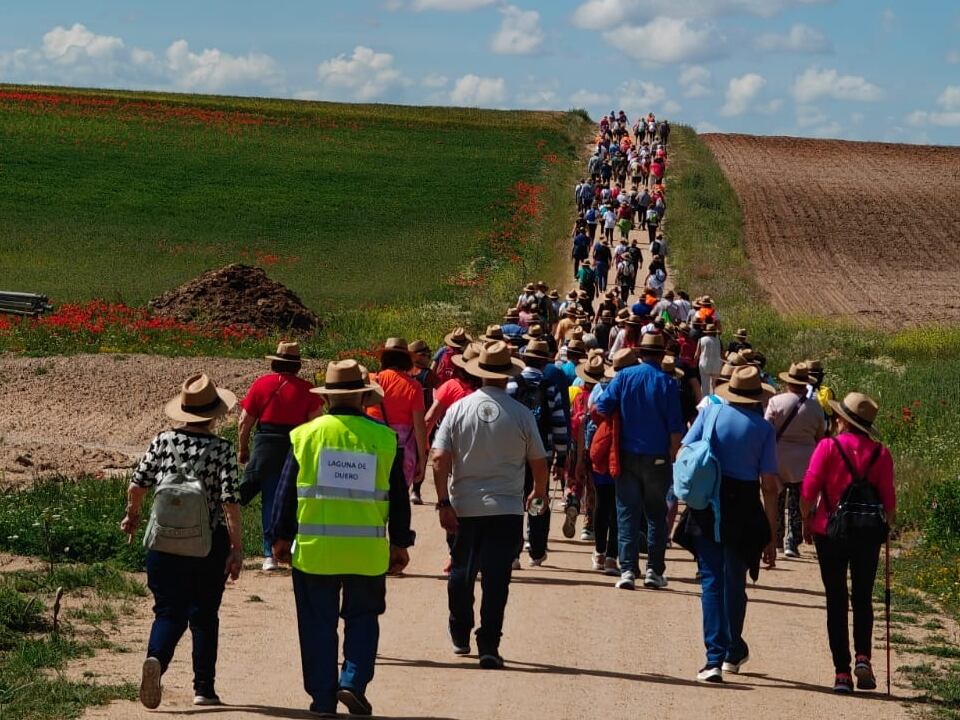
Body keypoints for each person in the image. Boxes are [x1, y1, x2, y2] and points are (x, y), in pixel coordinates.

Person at [267, 360, 414, 717]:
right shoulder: (383, 438)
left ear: (328, 398)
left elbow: (285, 492)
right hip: (366, 552)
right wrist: (400, 542)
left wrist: (280, 536)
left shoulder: (306, 435)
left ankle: (321, 698)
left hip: (316, 552)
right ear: (365, 396)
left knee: (318, 623)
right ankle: (352, 681)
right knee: (363, 617)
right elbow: (398, 495)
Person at [122, 374, 243, 709]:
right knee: (204, 614)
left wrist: (132, 517)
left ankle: (156, 662)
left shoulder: (162, 442)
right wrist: (236, 549)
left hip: (163, 542)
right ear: (215, 414)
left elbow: (136, 486)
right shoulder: (222, 450)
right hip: (207, 544)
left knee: (167, 612)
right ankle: (204, 688)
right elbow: (230, 501)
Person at [432, 341, 549, 669]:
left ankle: (460, 629)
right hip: (507, 508)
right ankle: (489, 644)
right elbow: (539, 463)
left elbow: (439, 458)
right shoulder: (521, 414)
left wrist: (443, 502)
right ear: (506, 376)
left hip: (466, 506)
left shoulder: (458, 409)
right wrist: (538, 492)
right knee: (497, 580)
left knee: (461, 572)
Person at [676, 366, 780, 684]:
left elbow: (684, 449)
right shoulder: (763, 430)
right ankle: (733, 649)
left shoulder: (711, 415)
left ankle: (713, 659)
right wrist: (772, 534)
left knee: (711, 581)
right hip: (745, 506)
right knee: (734, 580)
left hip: (709, 501)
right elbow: (769, 486)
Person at [801, 392, 896, 695]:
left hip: (830, 531)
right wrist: (888, 527)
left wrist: (806, 520)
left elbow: (808, 489)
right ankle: (863, 657)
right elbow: (889, 502)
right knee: (863, 597)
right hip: (867, 533)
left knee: (836, 600)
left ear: (843, 420)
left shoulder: (828, 447)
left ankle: (842, 673)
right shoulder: (881, 454)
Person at [595, 333, 683, 590]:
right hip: (657, 456)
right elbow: (675, 428)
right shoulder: (667, 383)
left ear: (641, 352)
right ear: (660, 355)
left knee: (627, 512)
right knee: (656, 513)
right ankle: (654, 570)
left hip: (626, 454)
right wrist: (674, 456)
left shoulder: (623, 377)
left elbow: (601, 408)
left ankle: (628, 570)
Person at [237, 342, 323, 570]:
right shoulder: (308, 390)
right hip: (295, 447)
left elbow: (244, 422)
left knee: (270, 500)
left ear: (275, 362)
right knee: (294, 499)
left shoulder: (260, 384)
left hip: (265, 447)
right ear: (297, 365)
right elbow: (316, 424)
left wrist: (243, 448)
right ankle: (291, 547)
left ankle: (269, 555)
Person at [507, 339, 570, 562]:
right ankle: (536, 550)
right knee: (538, 497)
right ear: (544, 363)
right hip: (542, 452)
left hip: (515, 452)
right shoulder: (550, 387)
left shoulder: (512, 385)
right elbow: (559, 423)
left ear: (524, 360)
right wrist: (561, 457)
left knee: (514, 500)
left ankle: (512, 553)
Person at [766, 363, 825, 558]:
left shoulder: (775, 401)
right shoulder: (815, 408)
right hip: (805, 459)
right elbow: (820, 437)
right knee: (798, 501)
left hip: (778, 455)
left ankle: (777, 537)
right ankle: (793, 540)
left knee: (777, 498)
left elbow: (767, 430)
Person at [368, 338, 429, 505]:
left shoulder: (372, 381)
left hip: (372, 449)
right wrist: (422, 460)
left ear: (384, 358)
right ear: (407, 360)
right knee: (399, 503)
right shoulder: (413, 387)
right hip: (401, 454)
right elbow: (419, 426)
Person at [695, 324, 723, 395]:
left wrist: (695, 361)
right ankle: (715, 401)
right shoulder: (718, 341)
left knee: (705, 385)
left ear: (706, 332)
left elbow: (696, 355)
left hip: (704, 364)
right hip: (716, 364)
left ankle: (706, 402)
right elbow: (721, 354)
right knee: (714, 386)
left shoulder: (701, 340)